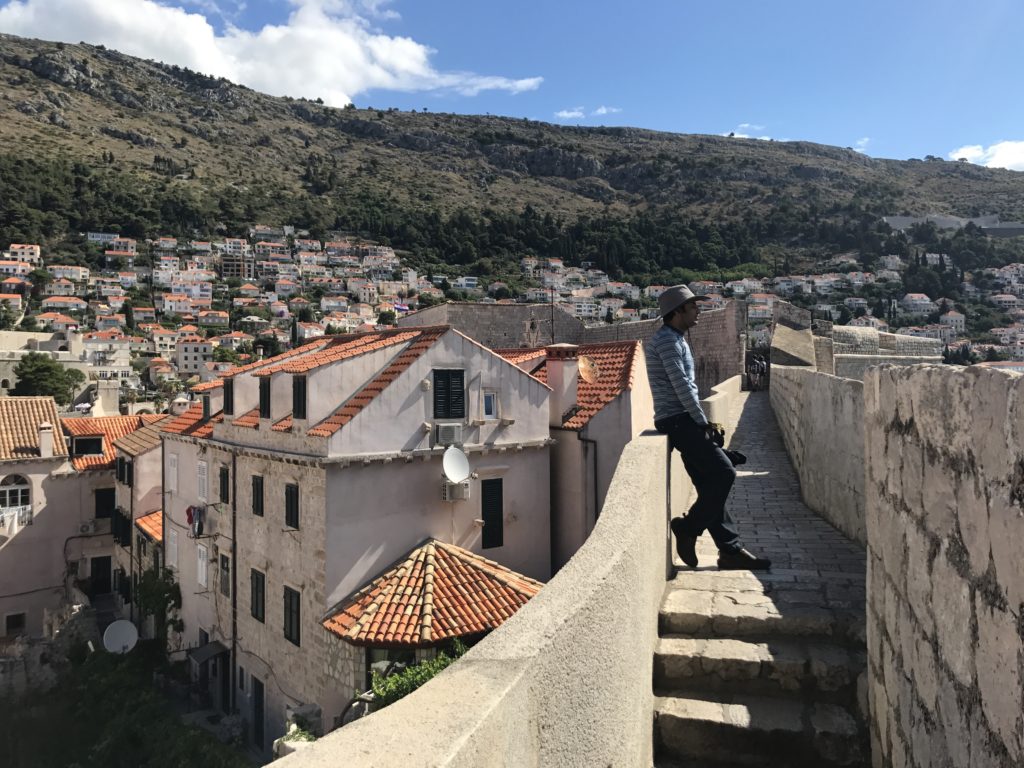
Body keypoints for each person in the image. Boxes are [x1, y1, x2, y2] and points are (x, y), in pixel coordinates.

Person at [646, 285, 771, 571]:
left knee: (709, 483)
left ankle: (730, 550)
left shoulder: (676, 339)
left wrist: (702, 423)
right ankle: (688, 527)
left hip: (683, 419)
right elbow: (681, 386)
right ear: (677, 312)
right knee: (724, 473)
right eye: (693, 306)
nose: (698, 310)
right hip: (678, 420)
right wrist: (703, 422)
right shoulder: (667, 341)